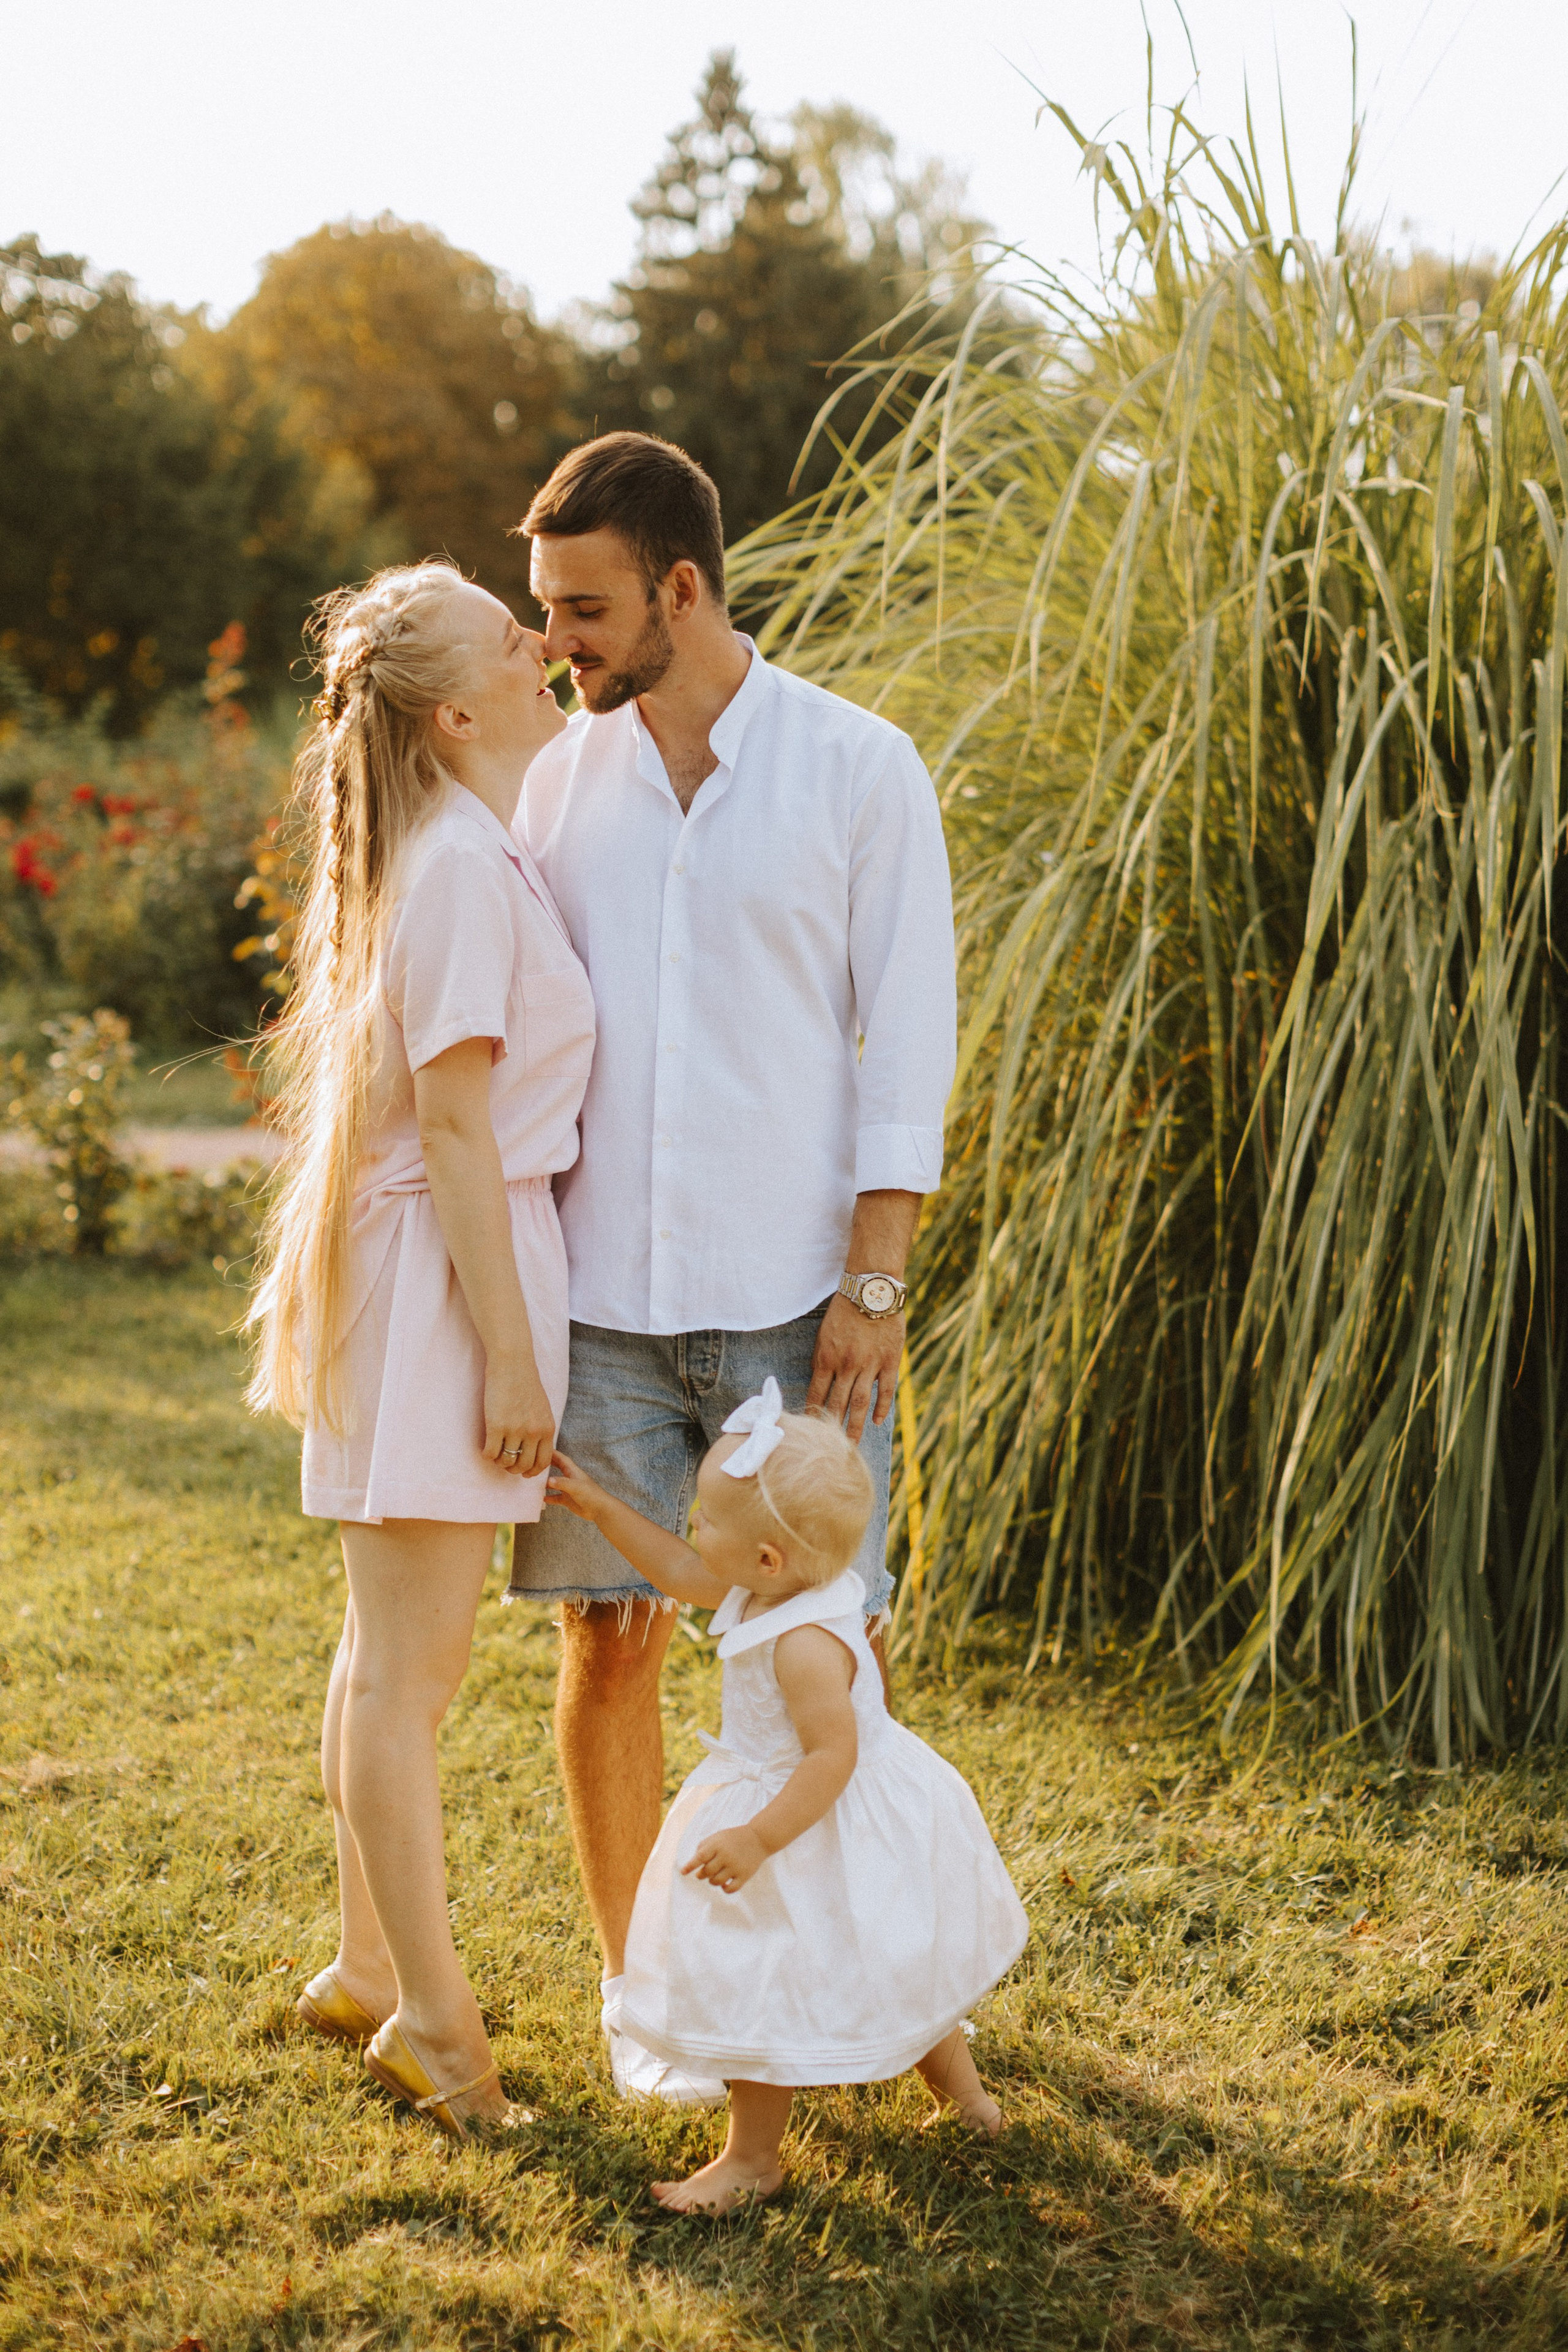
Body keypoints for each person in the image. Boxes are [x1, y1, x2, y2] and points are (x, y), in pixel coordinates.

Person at [510, 431, 957, 2105]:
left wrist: (876, 1276)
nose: (555, 640)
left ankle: (877, 1995)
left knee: (838, 1649)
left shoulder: (858, 767)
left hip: (795, 1310)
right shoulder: (559, 782)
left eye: (582, 609)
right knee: (607, 1646)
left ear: (679, 589)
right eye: (549, 610)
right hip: (601, 1308)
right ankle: (660, 2007)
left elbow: (907, 1033)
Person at [246, 559, 594, 2141]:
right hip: (448, 1290)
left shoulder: (469, 845)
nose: (544, 649)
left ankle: (361, 1964)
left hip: (438, 1271)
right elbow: (457, 1127)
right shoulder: (457, 864)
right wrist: (513, 1365)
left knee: (379, 1657)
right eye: (516, 637)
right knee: (410, 1674)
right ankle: (435, 2033)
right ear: (457, 711)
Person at [546, 1378, 1028, 2213]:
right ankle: (969, 2104)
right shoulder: (784, 1587)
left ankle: (753, 2161)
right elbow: (675, 1567)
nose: (693, 1532)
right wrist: (598, 1510)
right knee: (888, 1961)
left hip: (810, 1820)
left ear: (766, 1561)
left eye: (705, 1520)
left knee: (757, 1979)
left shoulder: (804, 1644)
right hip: (832, 1817)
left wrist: (759, 1839)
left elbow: (831, 1757)